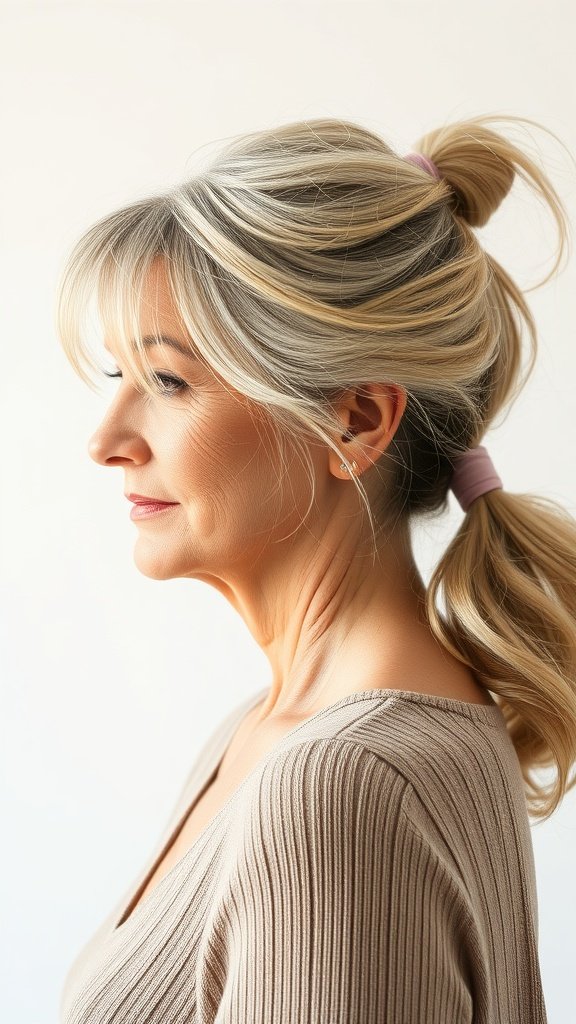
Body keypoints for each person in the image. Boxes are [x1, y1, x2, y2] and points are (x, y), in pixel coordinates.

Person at [56, 113, 576, 1023]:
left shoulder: (342, 785)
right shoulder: (268, 733)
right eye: (117, 378)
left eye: (169, 381)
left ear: (355, 423)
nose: (105, 441)